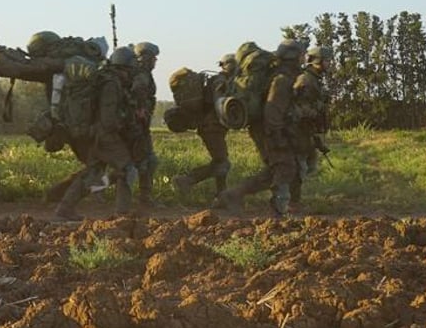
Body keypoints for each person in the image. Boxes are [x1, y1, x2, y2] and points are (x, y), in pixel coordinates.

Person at [213, 40, 305, 216]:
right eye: (301, 54)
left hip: (266, 128)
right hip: (267, 129)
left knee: (277, 168)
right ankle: (277, 208)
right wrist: (276, 136)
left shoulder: (283, 75)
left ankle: (232, 195)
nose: (304, 58)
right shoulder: (282, 79)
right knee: (284, 167)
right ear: (293, 56)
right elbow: (273, 110)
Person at [54, 47, 141, 221]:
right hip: (105, 136)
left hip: (94, 135)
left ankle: (64, 208)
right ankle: (122, 213)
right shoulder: (111, 84)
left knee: (92, 173)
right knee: (127, 168)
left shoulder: (105, 79)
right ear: (126, 66)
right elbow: (108, 119)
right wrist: (125, 120)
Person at [172, 53, 235, 201]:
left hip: (212, 127)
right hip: (211, 127)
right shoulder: (221, 81)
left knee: (220, 161)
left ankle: (221, 195)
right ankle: (186, 180)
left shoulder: (218, 79)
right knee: (222, 163)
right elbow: (219, 103)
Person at [289, 45, 333, 209]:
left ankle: (287, 193)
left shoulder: (314, 79)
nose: (329, 64)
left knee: (309, 165)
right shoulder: (306, 79)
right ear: (317, 61)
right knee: (299, 166)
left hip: (308, 130)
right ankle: (292, 202)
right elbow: (299, 107)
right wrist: (317, 109)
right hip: (300, 129)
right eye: (327, 61)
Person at [130, 41, 160, 207]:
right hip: (137, 126)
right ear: (147, 58)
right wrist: (140, 108)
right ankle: (144, 198)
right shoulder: (141, 74)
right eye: (154, 58)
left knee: (146, 161)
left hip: (141, 126)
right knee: (143, 162)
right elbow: (138, 90)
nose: (156, 61)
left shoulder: (142, 73)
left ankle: (145, 196)